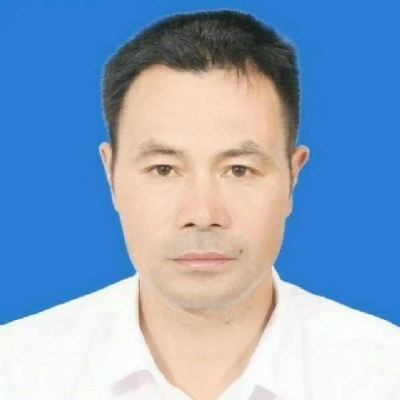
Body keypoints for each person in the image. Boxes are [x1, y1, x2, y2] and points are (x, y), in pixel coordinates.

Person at [1, 9, 399, 400]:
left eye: (239, 170)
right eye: (163, 169)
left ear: (293, 176)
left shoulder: (384, 372)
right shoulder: (17, 371)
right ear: (110, 174)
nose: (202, 215)